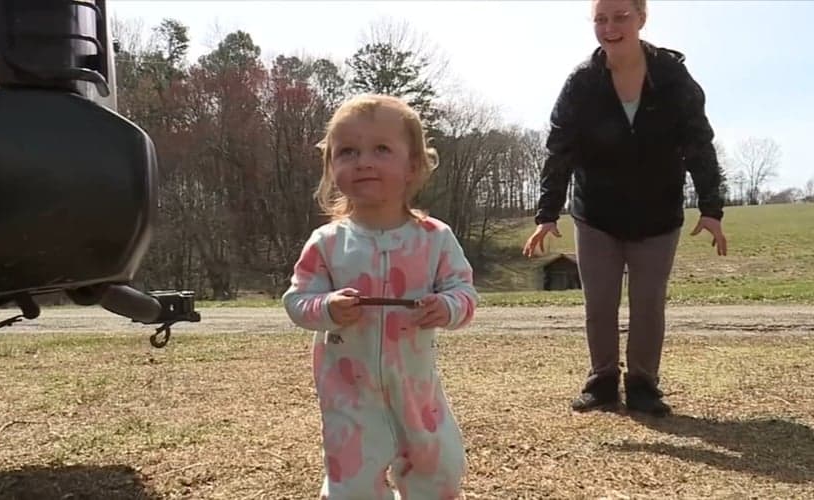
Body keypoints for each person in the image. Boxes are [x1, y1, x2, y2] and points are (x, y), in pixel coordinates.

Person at [523, 0, 727, 416]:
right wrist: (547, 214)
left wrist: (711, 208)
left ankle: (643, 385)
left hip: (658, 214)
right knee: (599, 303)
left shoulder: (672, 77)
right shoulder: (582, 82)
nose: (609, 27)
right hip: (596, 213)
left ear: (641, 18)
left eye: (621, 17)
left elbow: (698, 143)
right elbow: (560, 149)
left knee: (648, 304)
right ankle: (601, 382)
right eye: (601, 19)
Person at [283, 94, 478, 499]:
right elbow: (297, 301)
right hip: (349, 392)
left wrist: (446, 307)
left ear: (413, 166)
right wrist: (327, 307)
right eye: (347, 152)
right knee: (352, 480)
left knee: (438, 466)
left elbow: (464, 293)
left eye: (381, 149)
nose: (363, 162)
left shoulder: (435, 238)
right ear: (330, 166)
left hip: (416, 388)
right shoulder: (327, 242)